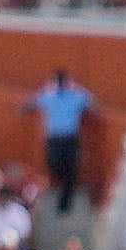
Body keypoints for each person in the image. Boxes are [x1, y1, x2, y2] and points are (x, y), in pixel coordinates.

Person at [31, 68, 93, 206]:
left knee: (71, 168)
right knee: (53, 164)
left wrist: (78, 88)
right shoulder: (49, 95)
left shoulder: (76, 95)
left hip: (70, 138)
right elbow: (31, 104)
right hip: (54, 138)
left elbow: (93, 105)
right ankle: (64, 191)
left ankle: (66, 200)